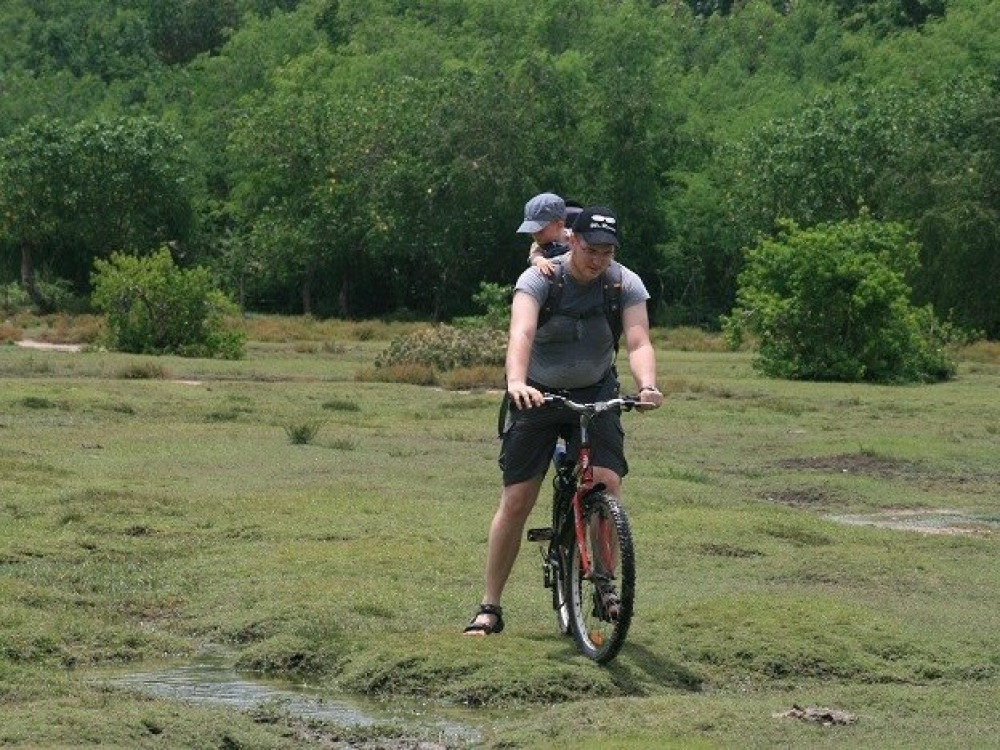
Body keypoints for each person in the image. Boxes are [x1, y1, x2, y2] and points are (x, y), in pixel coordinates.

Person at [463, 205, 664, 636]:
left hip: (596, 390)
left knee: (606, 483)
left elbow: (638, 338)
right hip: (537, 392)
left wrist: (646, 385)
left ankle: (605, 583)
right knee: (517, 500)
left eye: (608, 251)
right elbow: (521, 332)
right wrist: (516, 381)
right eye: (592, 249)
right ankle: (489, 606)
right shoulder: (541, 278)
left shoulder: (622, 282)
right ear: (572, 240)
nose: (599, 259)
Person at [518, 193, 582, 277]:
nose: (535, 234)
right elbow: (535, 255)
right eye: (532, 230)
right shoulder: (539, 246)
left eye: (540, 230)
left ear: (559, 225)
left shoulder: (576, 238)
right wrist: (540, 261)